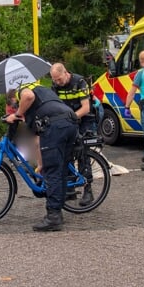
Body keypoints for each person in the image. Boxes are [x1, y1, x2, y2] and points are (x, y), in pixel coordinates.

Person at [5, 81, 79, 231]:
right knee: (60, 171)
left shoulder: (22, 91)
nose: (16, 109)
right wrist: (40, 164)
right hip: (69, 122)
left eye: (15, 105)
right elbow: (38, 141)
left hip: (56, 126)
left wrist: (17, 114)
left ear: (14, 98)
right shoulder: (40, 93)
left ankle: (53, 217)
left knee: (52, 172)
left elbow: (28, 96)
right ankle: (58, 212)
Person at [50, 62, 96, 206]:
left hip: (84, 120)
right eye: (54, 80)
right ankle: (70, 188)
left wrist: (70, 118)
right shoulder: (56, 86)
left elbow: (86, 108)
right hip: (68, 120)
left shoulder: (79, 82)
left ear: (65, 73)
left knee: (82, 153)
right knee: (65, 152)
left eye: (59, 79)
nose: (57, 82)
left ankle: (88, 190)